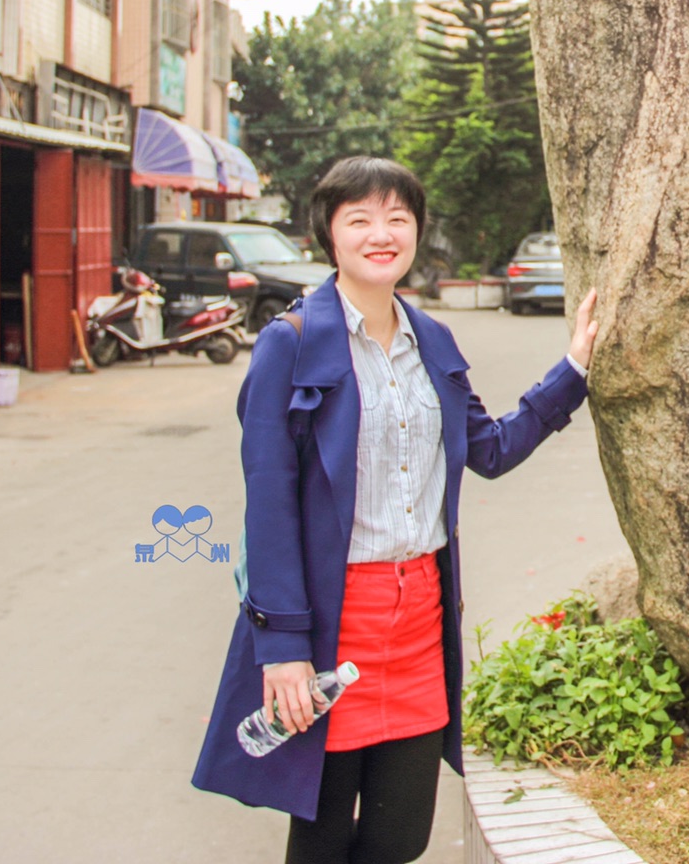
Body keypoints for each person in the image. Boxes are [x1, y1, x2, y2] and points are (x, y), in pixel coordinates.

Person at [190, 156, 598, 864]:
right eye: (360, 219)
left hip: (417, 621)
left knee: (400, 837)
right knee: (320, 838)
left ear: (415, 233)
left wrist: (574, 373)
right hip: (331, 623)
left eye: (397, 218)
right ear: (329, 234)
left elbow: (490, 449)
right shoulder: (287, 346)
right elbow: (271, 505)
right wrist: (281, 647)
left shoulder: (432, 342)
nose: (381, 233)